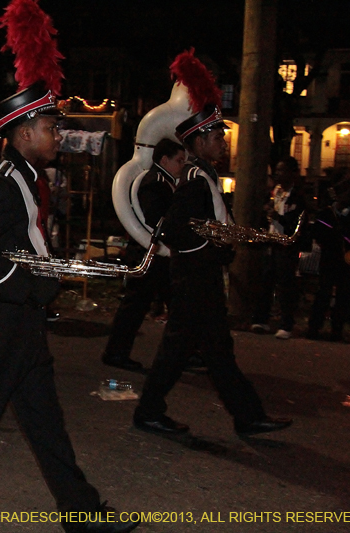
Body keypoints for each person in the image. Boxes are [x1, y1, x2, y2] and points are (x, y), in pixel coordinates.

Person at [0, 83, 140, 533]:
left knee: (46, 425)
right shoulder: (4, 183)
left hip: (21, 323)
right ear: (22, 135)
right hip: (0, 322)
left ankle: (84, 515)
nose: (57, 135)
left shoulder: (26, 178)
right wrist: (28, 286)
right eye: (49, 127)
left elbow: (23, 243)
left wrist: (51, 270)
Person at [133, 104, 292, 437]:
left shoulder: (202, 175)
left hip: (198, 277)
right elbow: (175, 230)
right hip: (195, 278)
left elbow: (208, 224)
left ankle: (247, 417)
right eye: (217, 136)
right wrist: (210, 249)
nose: (223, 142)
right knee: (186, 350)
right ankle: (151, 412)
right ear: (199, 141)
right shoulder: (195, 180)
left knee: (212, 351)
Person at [102, 138, 186, 371]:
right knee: (137, 305)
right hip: (150, 254)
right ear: (164, 160)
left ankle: (185, 352)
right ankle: (116, 353)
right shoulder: (156, 182)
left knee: (171, 304)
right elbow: (155, 218)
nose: (182, 165)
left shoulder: (162, 180)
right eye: (179, 160)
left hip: (154, 253)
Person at [250, 156, 307, 339]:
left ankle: (286, 324)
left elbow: (294, 225)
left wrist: (277, 217)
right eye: (277, 170)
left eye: (282, 170)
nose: (278, 174)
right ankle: (261, 319)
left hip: (286, 246)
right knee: (266, 283)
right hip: (271, 243)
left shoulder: (298, 197)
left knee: (285, 286)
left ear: (292, 173)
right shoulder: (275, 193)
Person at [306, 176, 350, 341]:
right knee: (323, 294)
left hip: (348, 263)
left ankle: (337, 329)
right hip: (329, 259)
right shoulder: (327, 214)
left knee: (343, 296)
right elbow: (318, 234)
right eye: (349, 193)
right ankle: (314, 327)